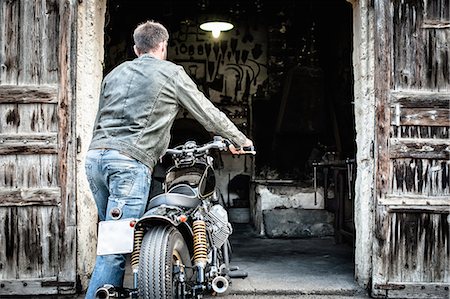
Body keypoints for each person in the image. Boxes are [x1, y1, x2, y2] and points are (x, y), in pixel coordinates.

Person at [84, 20, 253, 298]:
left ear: (136, 48)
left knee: (111, 242)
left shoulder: (114, 73)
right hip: (129, 163)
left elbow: (101, 119)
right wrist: (240, 140)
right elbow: (206, 113)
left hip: (96, 160)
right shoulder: (171, 73)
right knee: (115, 249)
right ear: (163, 46)